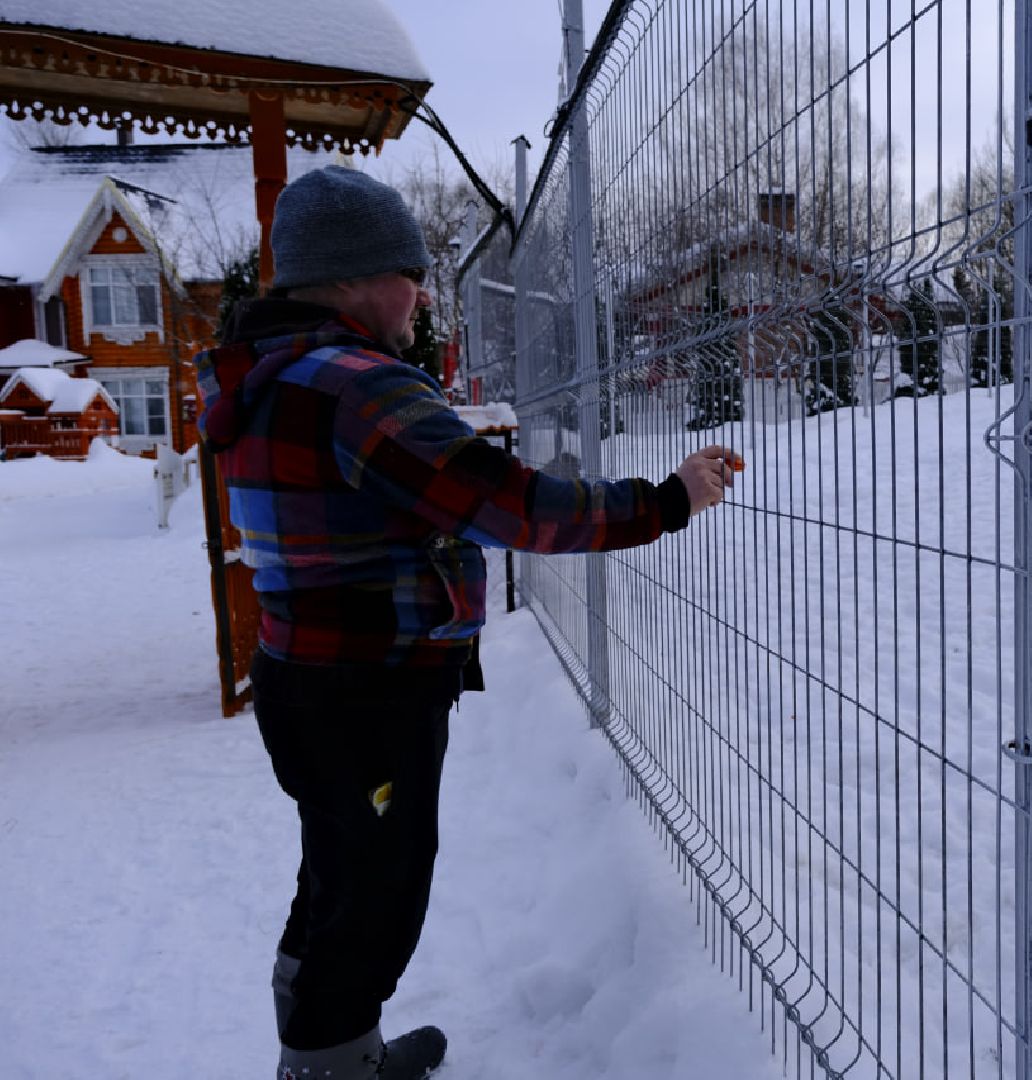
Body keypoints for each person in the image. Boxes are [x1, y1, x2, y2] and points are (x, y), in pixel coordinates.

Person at [196, 165, 740, 1080]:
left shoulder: (264, 377)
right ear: (356, 277)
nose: (419, 295)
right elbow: (510, 505)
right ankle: (329, 1067)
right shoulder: (354, 384)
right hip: (370, 689)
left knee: (337, 876)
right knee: (376, 894)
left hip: (305, 676)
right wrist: (667, 500)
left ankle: (332, 1050)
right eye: (409, 272)